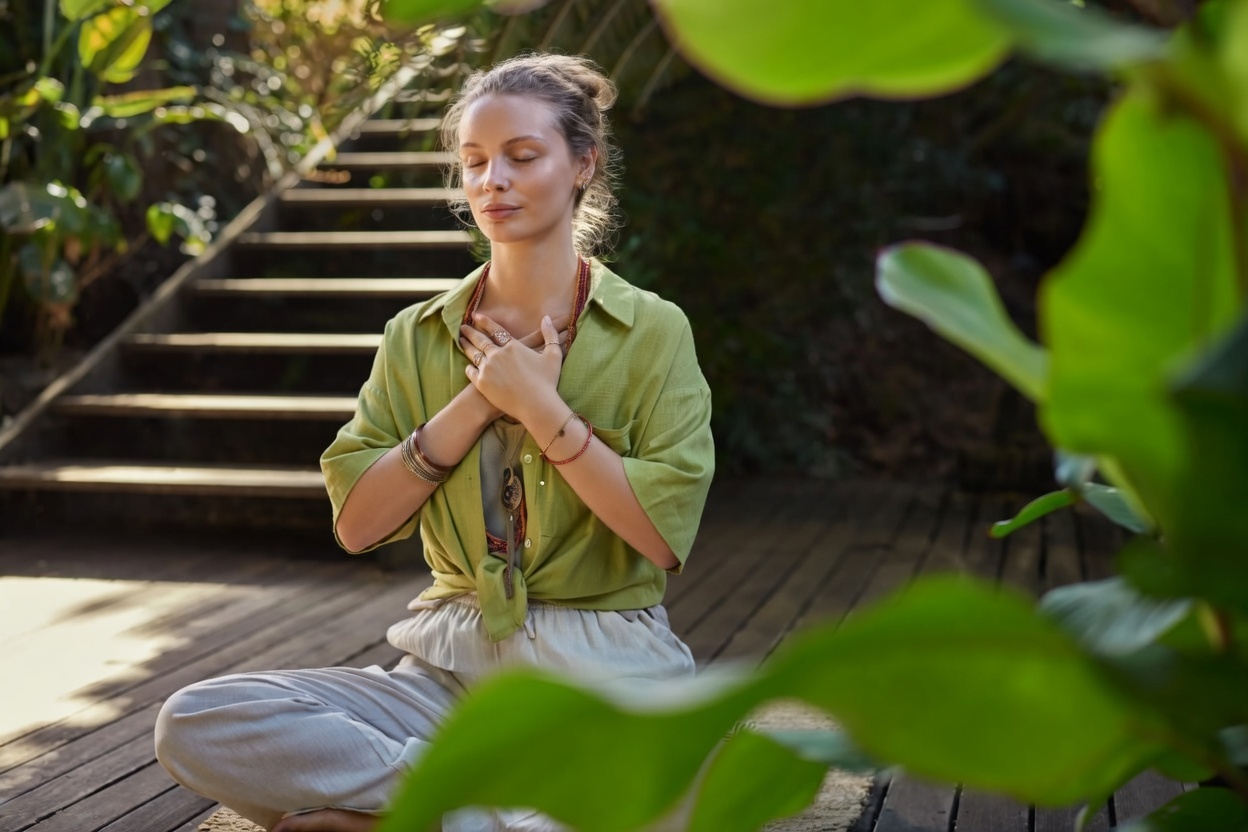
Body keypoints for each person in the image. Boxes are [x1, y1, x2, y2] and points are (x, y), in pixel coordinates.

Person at [154, 52, 715, 832]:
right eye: (475, 162)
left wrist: (543, 410)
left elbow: (659, 537)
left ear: (583, 163)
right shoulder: (414, 337)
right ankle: (474, 806)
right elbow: (357, 524)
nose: (493, 181)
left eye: (522, 157)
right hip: (446, 677)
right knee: (195, 719)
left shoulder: (652, 331)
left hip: (606, 677)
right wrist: (480, 403)